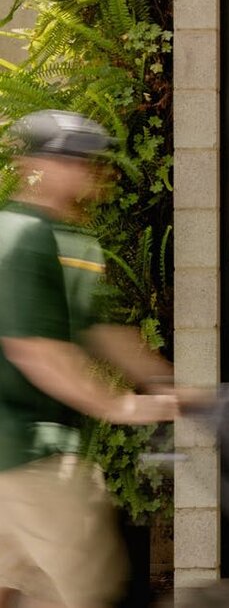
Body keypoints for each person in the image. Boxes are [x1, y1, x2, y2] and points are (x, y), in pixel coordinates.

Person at [0, 109, 179, 608]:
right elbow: (35, 350)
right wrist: (120, 407)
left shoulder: (74, 239)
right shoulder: (20, 236)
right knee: (85, 585)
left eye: (92, 162)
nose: (89, 172)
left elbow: (101, 330)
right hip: (24, 453)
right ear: (33, 163)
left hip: (36, 451)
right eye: (74, 161)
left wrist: (170, 384)